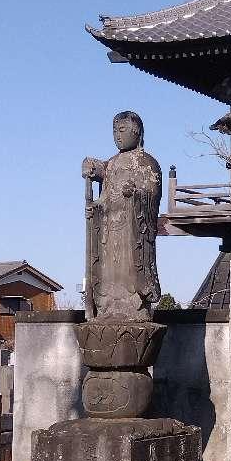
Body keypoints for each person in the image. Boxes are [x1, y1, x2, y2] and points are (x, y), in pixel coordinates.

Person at [82, 111, 161, 320]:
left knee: (130, 272)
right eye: (115, 131)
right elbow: (104, 198)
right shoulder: (111, 164)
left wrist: (136, 196)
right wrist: (95, 209)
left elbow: (152, 195)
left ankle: (136, 309)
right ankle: (107, 308)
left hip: (132, 233)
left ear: (137, 132)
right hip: (109, 231)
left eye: (123, 130)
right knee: (108, 273)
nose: (118, 135)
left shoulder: (147, 163)